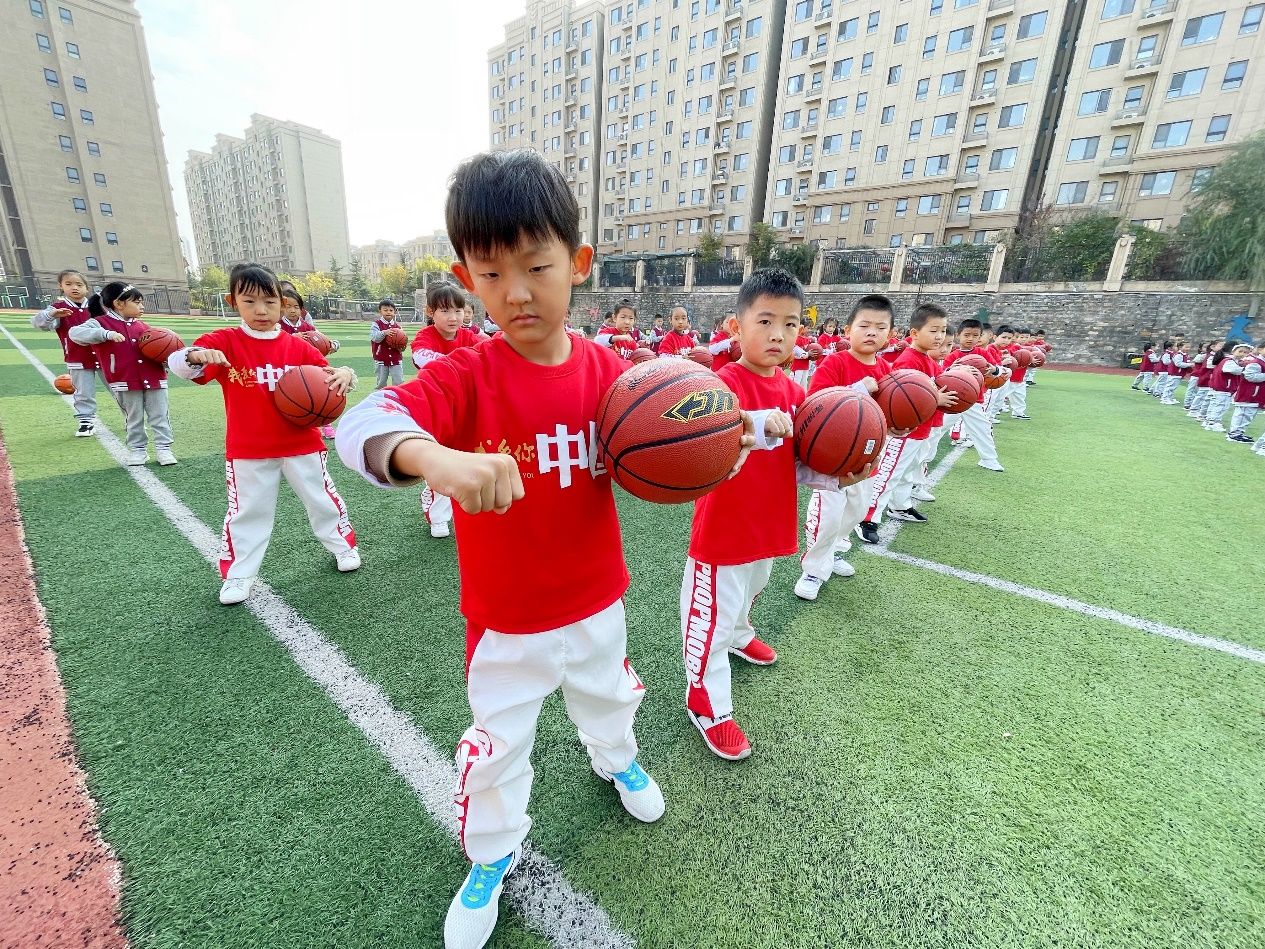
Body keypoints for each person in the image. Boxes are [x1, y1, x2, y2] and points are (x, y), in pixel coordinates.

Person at [335, 150, 677, 949]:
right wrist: (432, 457)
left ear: (578, 264)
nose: (515, 292)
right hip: (505, 619)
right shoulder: (466, 375)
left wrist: (712, 450)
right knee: (496, 747)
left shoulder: (612, 373)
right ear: (466, 276)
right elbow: (355, 425)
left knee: (611, 696)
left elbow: (675, 435)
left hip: (597, 598)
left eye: (536, 266)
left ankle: (615, 759)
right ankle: (492, 852)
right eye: (490, 275)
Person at [681, 269, 853, 760]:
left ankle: (741, 636)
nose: (779, 335)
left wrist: (840, 474)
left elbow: (799, 463)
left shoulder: (795, 392)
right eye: (766, 321)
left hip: (770, 525)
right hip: (723, 532)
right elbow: (708, 430)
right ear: (736, 328)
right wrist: (757, 422)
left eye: (792, 325)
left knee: (750, 595)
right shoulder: (718, 383)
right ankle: (706, 704)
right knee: (707, 621)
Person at [167, 264, 359, 604]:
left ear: (282, 304)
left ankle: (343, 547)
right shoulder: (224, 341)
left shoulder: (296, 346)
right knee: (248, 512)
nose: (261, 310)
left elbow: (330, 374)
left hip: (302, 444)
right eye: (250, 301)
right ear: (232, 301)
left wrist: (345, 374)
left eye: (270, 302)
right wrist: (194, 355)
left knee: (322, 500)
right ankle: (238, 576)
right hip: (248, 448)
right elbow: (181, 364)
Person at [793, 294, 894, 601]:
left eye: (880, 327)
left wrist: (900, 423)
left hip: (868, 458)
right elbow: (816, 403)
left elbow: (893, 413)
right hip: (832, 458)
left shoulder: (888, 369)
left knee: (856, 512)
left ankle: (835, 551)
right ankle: (813, 567)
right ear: (848, 330)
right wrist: (859, 389)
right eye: (864, 325)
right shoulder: (834, 362)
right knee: (829, 513)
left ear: (890, 334)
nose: (872, 332)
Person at [858, 304, 958, 538]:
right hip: (905, 431)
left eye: (943, 331)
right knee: (889, 473)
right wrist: (936, 398)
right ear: (914, 333)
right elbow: (904, 399)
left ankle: (900, 505)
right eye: (934, 330)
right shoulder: (908, 361)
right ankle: (867, 518)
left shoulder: (930, 361)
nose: (940, 337)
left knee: (908, 472)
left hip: (922, 429)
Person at [68, 282, 176, 467]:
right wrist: (106, 334)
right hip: (124, 380)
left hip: (155, 379)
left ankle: (163, 449)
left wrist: (166, 359)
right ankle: (137, 450)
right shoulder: (101, 323)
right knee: (133, 418)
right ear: (119, 303)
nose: (142, 306)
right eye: (137, 302)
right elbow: (75, 333)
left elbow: (156, 350)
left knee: (160, 415)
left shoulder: (144, 326)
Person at [410, 282, 486, 539]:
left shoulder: (469, 335)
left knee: (470, 456)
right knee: (442, 461)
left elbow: (490, 349)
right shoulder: (425, 337)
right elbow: (422, 357)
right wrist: (465, 362)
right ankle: (439, 515)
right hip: (437, 409)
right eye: (445, 311)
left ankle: (443, 495)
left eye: (458, 310)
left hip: (467, 408)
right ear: (430, 312)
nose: (454, 317)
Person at [31, 269, 100, 437]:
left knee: (118, 389)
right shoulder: (58, 308)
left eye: (79, 284)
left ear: (86, 287)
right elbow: (38, 323)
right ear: (60, 286)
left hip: (104, 356)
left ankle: (131, 418)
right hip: (77, 357)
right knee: (83, 392)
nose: (74, 288)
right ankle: (86, 421)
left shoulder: (97, 306)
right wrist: (52, 314)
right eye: (68, 284)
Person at [942, 319, 1005, 472]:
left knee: (982, 428)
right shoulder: (952, 355)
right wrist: (951, 369)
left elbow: (998, 371)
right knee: (937, 428)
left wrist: (994, 370)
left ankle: (989, 459)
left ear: (980, 337)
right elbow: (942, 373)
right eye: (967, 335)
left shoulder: (983, 353)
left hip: (974, 399)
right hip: (953, 398)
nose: (970, 338)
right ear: (958, 335)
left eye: (975, 335)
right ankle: (923, 458)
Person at [280, 286, 340, 438]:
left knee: (320, 396)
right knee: (296, 399)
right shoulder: (278, 327)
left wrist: (331, 345)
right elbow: (274, 344)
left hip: (310, 369)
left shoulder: (308, 327)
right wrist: (293, 338)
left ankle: (326, 425)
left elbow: (323, 340)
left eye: (296, 307)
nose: (292, 310)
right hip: (289, 370)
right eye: (288, 306)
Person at [1201, 344, 1251, 432]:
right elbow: (1232, 370)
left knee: (1215, 404)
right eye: (1240, 351)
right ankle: (1214, 422)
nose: (1243, 354)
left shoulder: (1231, 361)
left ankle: (1209, 420)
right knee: (1221, 406)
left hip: (1221, 387)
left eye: (1245, 352)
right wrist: (1245, 369)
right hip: (1223, 388)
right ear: (1233, 351)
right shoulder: (1230, 361)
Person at [1226, 344, 1265, 443]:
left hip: (1256, 395)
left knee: (1248, 415)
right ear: (1260, 349)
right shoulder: (1256, 363)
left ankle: (1239, 433)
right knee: (1242, 414)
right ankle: (1234, 434)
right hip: (1249, 394)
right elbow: (1249, 376)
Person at [369, 300, 405, 388]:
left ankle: (398, 399)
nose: (388, 312)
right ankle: (379, 399)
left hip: (396, 358)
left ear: (394, 312)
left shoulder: (398, 327)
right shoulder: (376, 324)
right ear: (380, 311)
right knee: (381, 383)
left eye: (391, 310)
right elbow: (375, 338)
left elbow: (402, 346)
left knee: (399, 382)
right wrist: (384, 332)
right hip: (381, 358)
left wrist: (401, 345)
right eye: (385, 310)